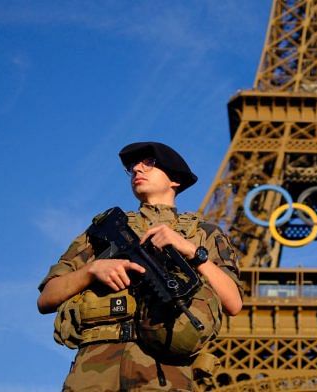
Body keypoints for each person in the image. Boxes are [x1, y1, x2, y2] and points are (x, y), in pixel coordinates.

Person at [37, 142, 243, 391]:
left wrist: (190, 251)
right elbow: (46, 299)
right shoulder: (104, 229)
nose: (137, 169)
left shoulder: (204, 233)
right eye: (133, 166)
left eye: (149, 163)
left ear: (175, 179)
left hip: (163, 369)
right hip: (93, 367)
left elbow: (233, 303)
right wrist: (93, 270)